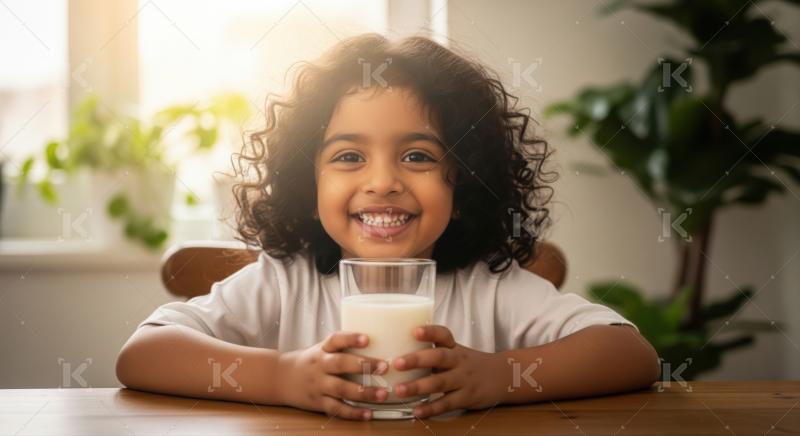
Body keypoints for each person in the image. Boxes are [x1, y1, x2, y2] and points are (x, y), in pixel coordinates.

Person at [116, 34, 660, 421]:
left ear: (465, 182)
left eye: (419, 157)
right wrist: (281, 377)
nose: (383, 182)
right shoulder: (284, 281)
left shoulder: (490, 287)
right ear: (308, 186)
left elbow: (631, 354)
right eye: (349, 156)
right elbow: (142, 354)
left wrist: (499, 376)